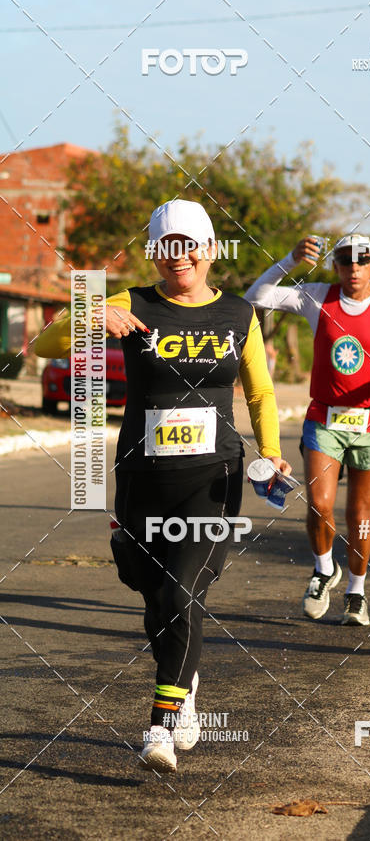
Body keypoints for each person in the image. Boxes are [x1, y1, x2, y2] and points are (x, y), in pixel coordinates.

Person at [35, 199, 290, 773]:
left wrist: (271, 452)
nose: (180, 257)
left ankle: (161, 724)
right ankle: (185, 679)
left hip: (213, 479)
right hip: (142, 482)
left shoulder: (237, 314)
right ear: (157, 251)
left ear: (209, 250)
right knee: (154, 599)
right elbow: (48, 343)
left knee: (182, 596)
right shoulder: (131, 303)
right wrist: (89, 314)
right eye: (167, 245)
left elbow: (260, 393)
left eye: (190, 245)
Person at [245, 234, 370, 626]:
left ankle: (356, 592)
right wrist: (290, 260)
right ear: (335, 265)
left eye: (362, 260)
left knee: (359, 514)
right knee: (320, 502)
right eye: (345, 260)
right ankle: (322, 570)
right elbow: (257, 295)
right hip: (325, 417)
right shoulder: (317, 296)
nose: (353, 268)